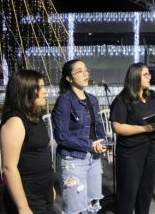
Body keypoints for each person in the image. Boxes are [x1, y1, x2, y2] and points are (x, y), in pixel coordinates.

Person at [110, 62, 155, 214]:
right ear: (135, 77)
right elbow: (117, 127)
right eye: (146, 74)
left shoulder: (152, 96)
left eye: (149, 74)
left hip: (152, 149)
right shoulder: (123, 99)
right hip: (131, 152)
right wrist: (144, 129)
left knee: (146, 191)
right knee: (128, 193)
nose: (150, 77)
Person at [52, 59, 107, 213]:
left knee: (91, 205)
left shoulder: (93, 99)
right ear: (69, 78)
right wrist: (89, 144)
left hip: (94, 158)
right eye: (79, 71)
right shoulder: (64, 101)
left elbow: (98, 125)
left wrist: (102, 141)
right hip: (74, 159)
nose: (85, 73)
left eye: (86, 70)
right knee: (75, 208)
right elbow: (61, 136)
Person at [0, 70, 54, 213]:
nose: (45, 92)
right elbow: (8, 167)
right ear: (26, 91)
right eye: (40, 87)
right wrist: (23, 207)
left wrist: (50, 188)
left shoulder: (35, 116)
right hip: (28, 195)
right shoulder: (16, 121)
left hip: (44, 191)